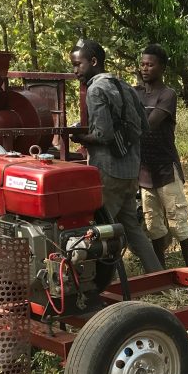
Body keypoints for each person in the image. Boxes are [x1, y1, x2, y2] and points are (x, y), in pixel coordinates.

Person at [69, 40, 163, 273]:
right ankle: (158, 275)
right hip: (130, 170)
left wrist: (79, 137)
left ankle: (107, 282)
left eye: (78, 65)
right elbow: (143, 126)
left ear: (93, 62)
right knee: (131, 227)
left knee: (102, 228)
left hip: (108, 172)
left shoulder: (95, 89)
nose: (75, 71)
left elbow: (103, 134)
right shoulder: (125, 85)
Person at [135, 44, 188, 268]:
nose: (145, 69)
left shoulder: (167, 94)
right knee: (153, 225)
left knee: (178, 222)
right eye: (142, 64)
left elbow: (148, 125)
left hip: (166, 168)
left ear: (162, 68)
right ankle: (161, 271)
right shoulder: (136, 93)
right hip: (145, 170)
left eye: (150, 64)